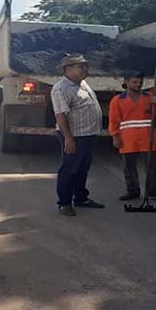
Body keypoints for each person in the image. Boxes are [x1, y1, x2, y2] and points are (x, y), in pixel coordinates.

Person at [50, 54, 106, 216]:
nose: (85, 69)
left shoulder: (82, 84)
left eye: (85, 66)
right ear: (67, 69)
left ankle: (81, 198)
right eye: (80, 66)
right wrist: (69, 138)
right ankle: (64, 203)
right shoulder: (61, 89)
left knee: (82, 169)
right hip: (75, 136)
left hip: (88, 134)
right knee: (69, 169)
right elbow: (61, 115)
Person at [108, 72, 156, 202]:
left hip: (147, 137)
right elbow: (113, 121)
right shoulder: (117, 100)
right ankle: (132, 191)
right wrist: (115, 136)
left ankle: (154, 191)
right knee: (129, 167)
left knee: (151, 167)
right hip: (128, 139)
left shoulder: (149, 97)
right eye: (134, 82)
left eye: (140, 82)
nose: (138, 85)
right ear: (126, 82)